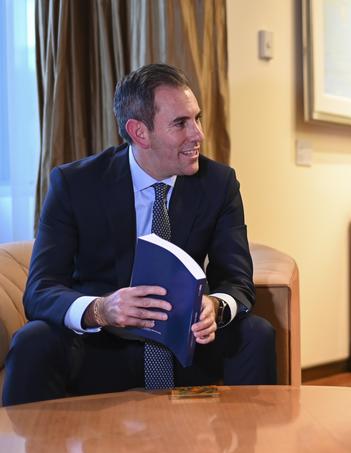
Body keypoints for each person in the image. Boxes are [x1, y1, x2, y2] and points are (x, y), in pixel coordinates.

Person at [3, 63, 277, 406]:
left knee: (256, 334)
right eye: (180, 123)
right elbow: (40, 290)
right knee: (34, 341)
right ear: (139, 132)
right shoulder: (75, 184)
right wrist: (101, 309)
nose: (198, 134)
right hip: (101, 348)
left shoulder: (218, 184)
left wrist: (216, 306)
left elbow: (237, 280)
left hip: (187, 347)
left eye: (197, 118)